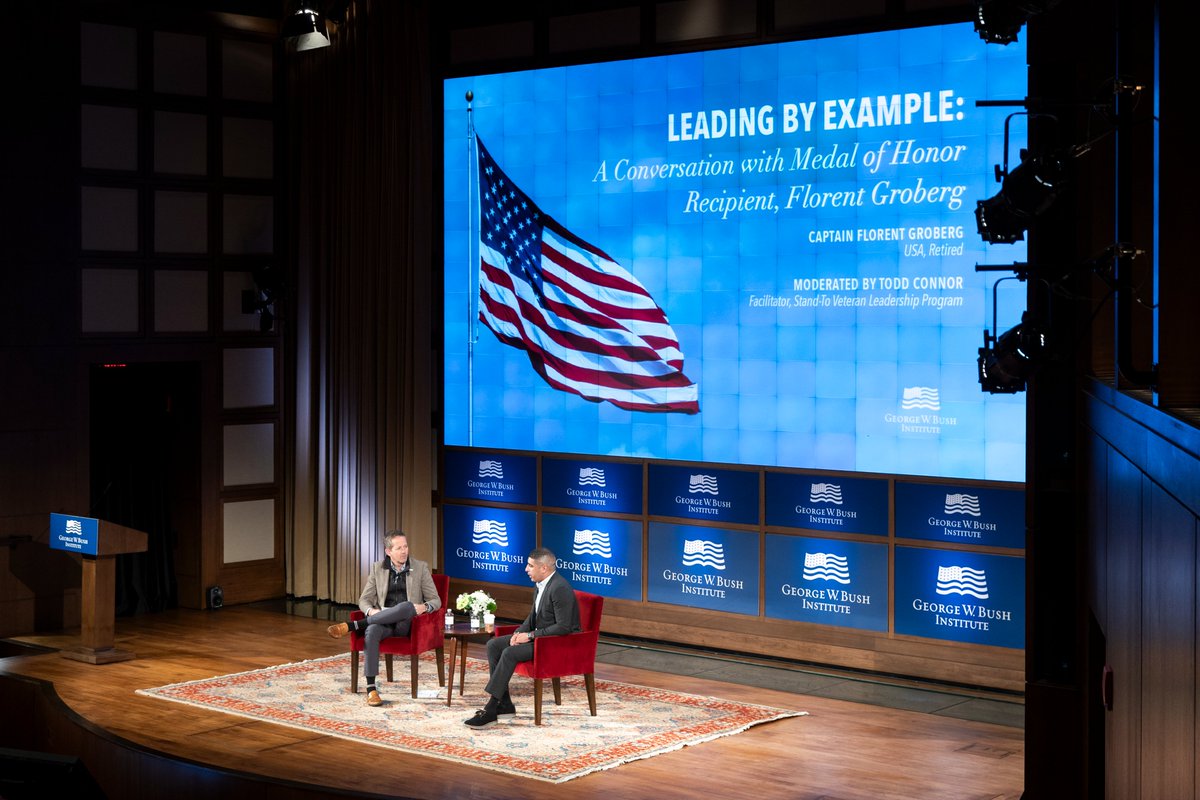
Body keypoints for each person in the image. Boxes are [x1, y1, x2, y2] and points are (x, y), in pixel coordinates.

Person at [464, 546, 579, 728]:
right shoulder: (540, 585)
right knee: (494, 645)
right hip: (540, 638)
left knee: (510, 653)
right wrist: (519, 633)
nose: (526, 569)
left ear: (544, 568)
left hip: (555, 643)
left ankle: (492, 707)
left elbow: (564, 627)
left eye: (530, 565)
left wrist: (530, 635)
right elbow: (533, 616)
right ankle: (506, 704)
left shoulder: (560, 588)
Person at [326, 530, 441, 706]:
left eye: (406, 546)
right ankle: (371, 689)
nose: (404, 551)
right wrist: (371, 612)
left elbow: (436, 600)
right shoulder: (377, 568)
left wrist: (423, 607)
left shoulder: (420, 568)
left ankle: (355, 625)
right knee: (371, 631)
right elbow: (364, 600)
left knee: (406, 606)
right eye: (399, 548)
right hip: (382, 621)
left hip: (407, 623)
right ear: (388, 551)